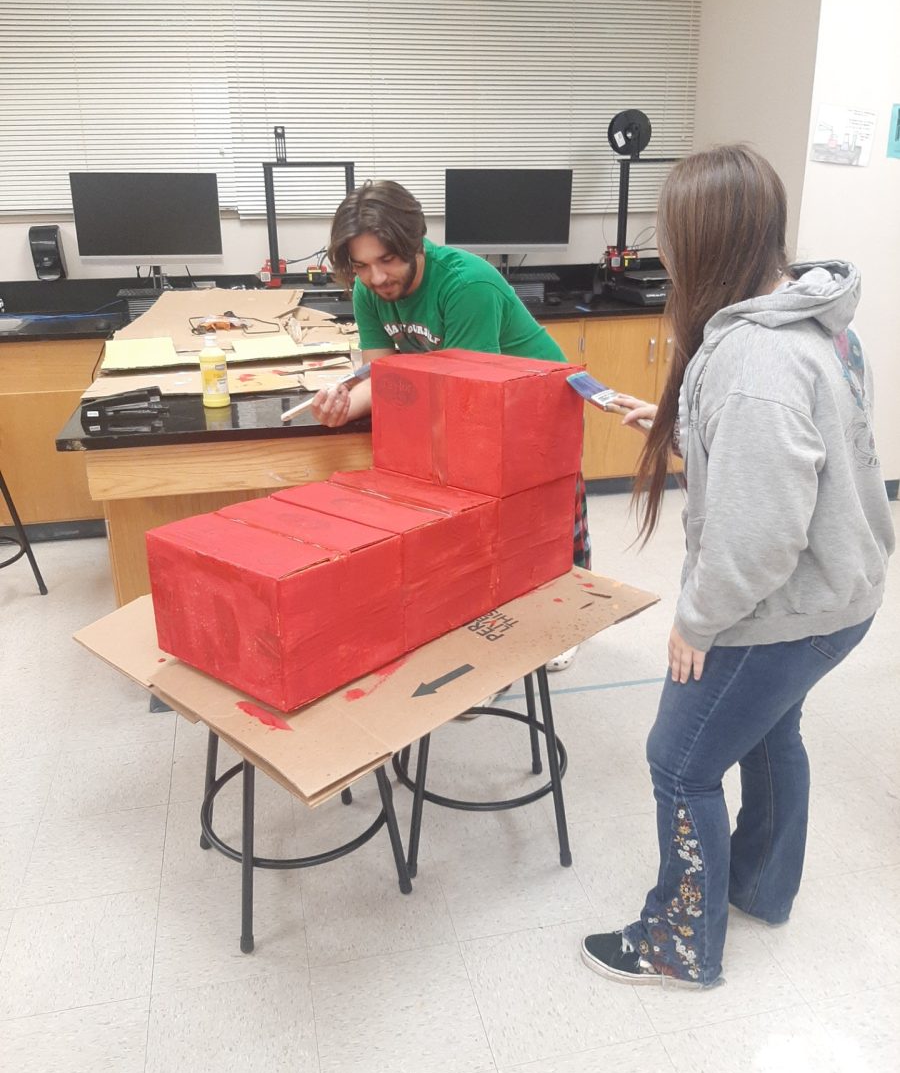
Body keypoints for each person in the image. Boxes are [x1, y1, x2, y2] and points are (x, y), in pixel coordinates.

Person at [581, 144, 894, 989]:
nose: (664, 255)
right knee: (770, 730)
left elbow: (760, 535)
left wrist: (697, 619)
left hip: (783, 606)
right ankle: (760, 887)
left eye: (671, 239)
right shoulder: (811, 321)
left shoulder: (755, 362)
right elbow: (791, 456)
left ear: (706, 244)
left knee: (680, 762)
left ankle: (680, 942)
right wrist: (676, 421)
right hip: (843, 593)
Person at [312, 178, 591, 672]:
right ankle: (489, 639)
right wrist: (343, 406)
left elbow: (469, 398)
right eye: (361, 265)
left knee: (546, 521)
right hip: (457, 400)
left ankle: (566, 622)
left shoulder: (467, 285)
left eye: (387, 260)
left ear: (415, 241)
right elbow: (387, 378)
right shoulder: (368, 289)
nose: (376, 278)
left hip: (536, 403)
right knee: (481, 530)